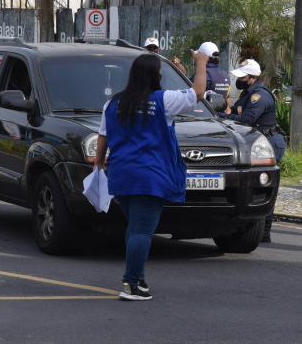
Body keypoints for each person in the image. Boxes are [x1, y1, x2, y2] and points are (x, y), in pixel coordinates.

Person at [95, 49, 209, 301]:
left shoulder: (113, 103)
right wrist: (201, 63)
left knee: (135, 227)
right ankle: (131, 284)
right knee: (142, 231)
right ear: (156, 75)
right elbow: (198, 92)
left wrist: (98, 164)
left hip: (120, 176)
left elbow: (103, 135)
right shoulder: (164, 100)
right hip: (150, 177)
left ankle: (139, 277)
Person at [218, 58, 285, 243]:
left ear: (253, 77)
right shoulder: (247, 92)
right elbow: (236, 112)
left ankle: (264, 232)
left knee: (263, 187)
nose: (239, 80)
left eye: (243, 77)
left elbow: (246, 119)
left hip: (268, 143)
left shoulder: (259, 95)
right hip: (255, 143)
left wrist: (221, 116)